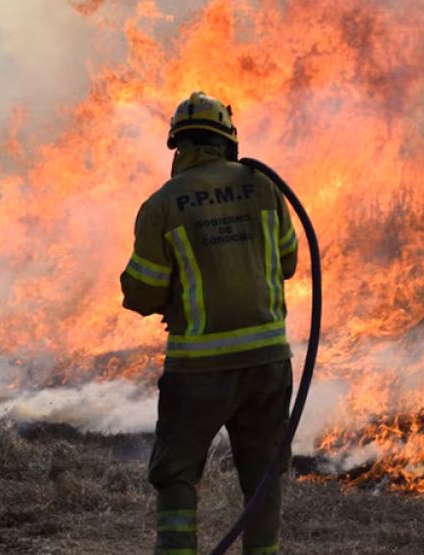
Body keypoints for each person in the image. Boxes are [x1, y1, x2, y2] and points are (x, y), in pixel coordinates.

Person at [121, 91, 299, 555]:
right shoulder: (265, 188)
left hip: (198, 370)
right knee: (263, 475)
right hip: (267, 364)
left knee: (176, 472)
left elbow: (142, 292)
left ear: (178, 145)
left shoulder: (163, 204)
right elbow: (288, 261)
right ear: (228, 141)